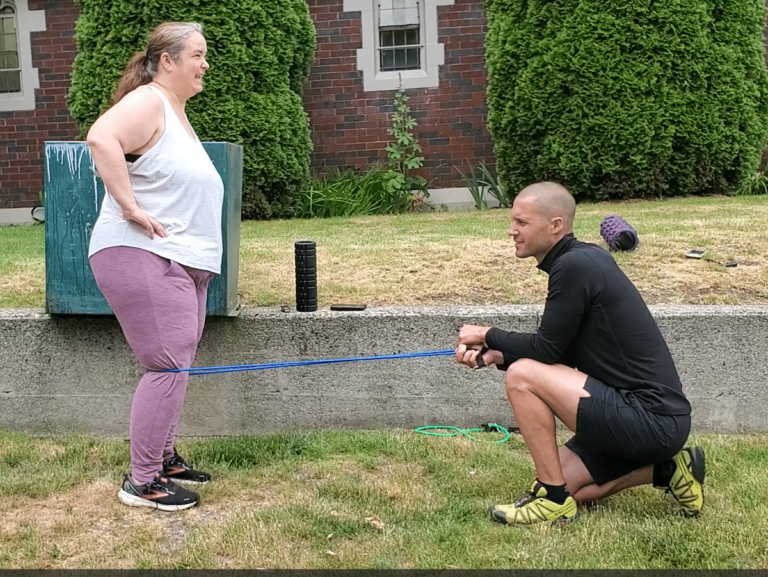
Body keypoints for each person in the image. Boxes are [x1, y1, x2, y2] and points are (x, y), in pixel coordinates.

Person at [455, 181, 705, 525]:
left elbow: (545, 349)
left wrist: (487, 333)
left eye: (522, 223)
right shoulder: (581, 261)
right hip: (642, 419)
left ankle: (552, 498)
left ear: (556, 225)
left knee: (522, 377)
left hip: (650, 420)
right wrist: (498, 354)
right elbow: (559, 352)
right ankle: (667, 469)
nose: (511, 231)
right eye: (513, 222)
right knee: (578, 491)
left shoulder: (575, 267)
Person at [87, 22, 222, 511]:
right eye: (198, 55)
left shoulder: (175, 113)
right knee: (165, 365)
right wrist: (129, 206)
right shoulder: (150, 99)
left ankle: (163, 458)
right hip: (142, 252)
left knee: (176, 365)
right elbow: (102, 138)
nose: (205, 64)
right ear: (168, 61)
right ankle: (142, 482)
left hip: (182, 261)